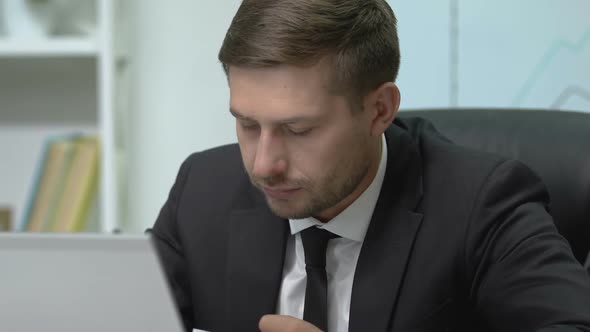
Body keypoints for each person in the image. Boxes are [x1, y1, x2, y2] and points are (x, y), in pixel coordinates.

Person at [150, 0, 590, 331]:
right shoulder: (202, 190)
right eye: (247, 125)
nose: (265, 165)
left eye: (299, 130)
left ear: (380, 109)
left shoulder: (481, 203)